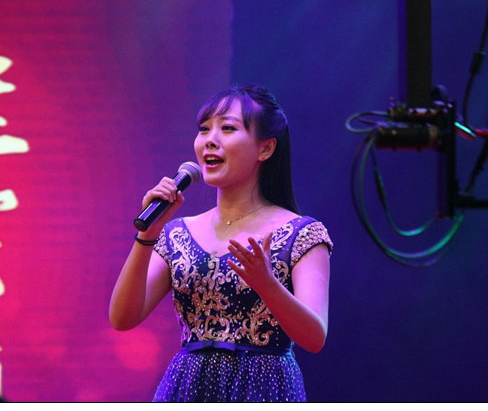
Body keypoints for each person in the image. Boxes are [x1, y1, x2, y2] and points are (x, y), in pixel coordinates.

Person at [109, 83, 332, 402]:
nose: (210, 140)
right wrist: (148, 235)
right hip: (188, 388)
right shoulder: (177, 233)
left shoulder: (302, 234)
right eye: (204, 129)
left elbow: (314, 338)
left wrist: (267, 284)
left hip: (264, 389)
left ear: (265, 149)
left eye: (227, 128)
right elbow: (122, 318)